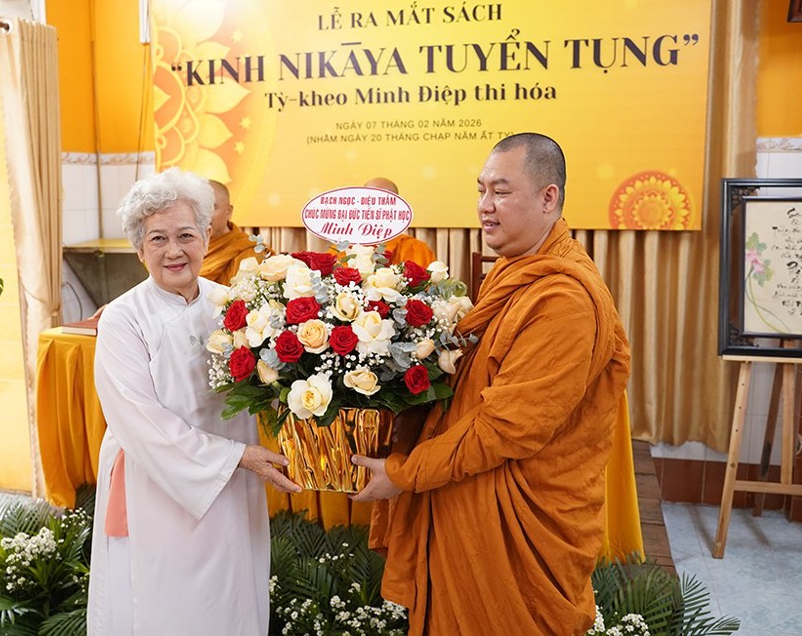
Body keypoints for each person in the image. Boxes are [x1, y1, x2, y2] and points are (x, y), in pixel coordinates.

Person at [353, 134, 631, 635]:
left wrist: (406, 473)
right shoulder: (515, 269)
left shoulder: (564, 299)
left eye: (501, 192)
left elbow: (506, 428)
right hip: (467, 503)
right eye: (481, 190)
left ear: (548, 198)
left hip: (517, 525)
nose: (484, 206)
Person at [88, 168, 301, 635]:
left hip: (236, 483)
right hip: (159, 486)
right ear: (139, 248)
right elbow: (139, 420)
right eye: (158, 238)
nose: (174, 251)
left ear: (206, 236)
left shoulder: (233, 306)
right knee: (170, 604)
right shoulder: (124, 319)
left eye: (185, 235)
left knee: (235, 594)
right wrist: (237, 457)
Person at [199, 179, 267, 285]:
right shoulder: (183, 249)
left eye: (211, 207)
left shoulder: (250, 251)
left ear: (229, 212)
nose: (203, 215)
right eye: (198, 208)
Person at [364, 176, 437, 266]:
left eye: (386, 201)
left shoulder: (416, 249)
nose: (378, 207)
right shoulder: (349, 249)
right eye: (371, 200)